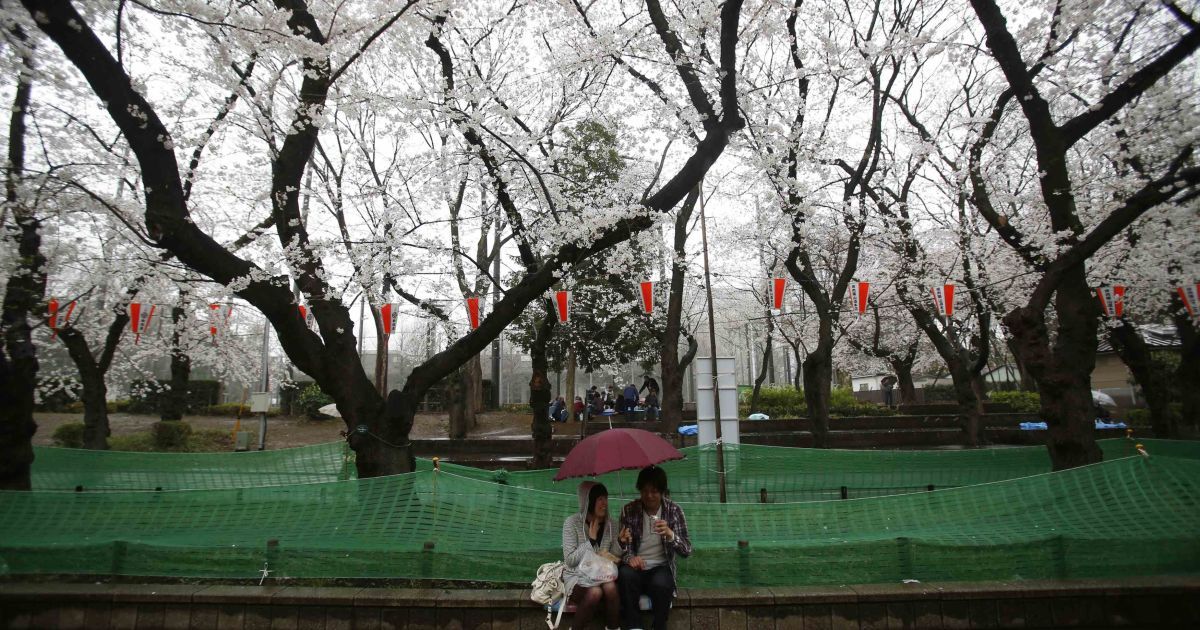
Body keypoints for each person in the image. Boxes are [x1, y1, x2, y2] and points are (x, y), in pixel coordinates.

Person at [617, 466, 691, 630]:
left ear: (663, 491)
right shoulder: (629, 510)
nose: (649, 496)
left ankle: (659, 625)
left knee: (662, 583)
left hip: (660, 567)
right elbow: (624, 549)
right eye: (644, 491)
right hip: (637, 568)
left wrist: (671, 535)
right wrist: (630, 558)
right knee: (625, 574)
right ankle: (634, 626)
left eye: (654, 491)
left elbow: (686, 550)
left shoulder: (674, 511)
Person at [562, 481, 622, 630]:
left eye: (605, 498)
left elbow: (615, 558)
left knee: (610, 588)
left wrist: (620, 542)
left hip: (603, 576)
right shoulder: (572, 523)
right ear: (587, 501)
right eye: (599, 499)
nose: (604, 503)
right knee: (595, 592)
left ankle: (614, 628)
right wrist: (590, 541)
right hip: (577, 577)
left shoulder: (612, 524)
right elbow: (570, 560)